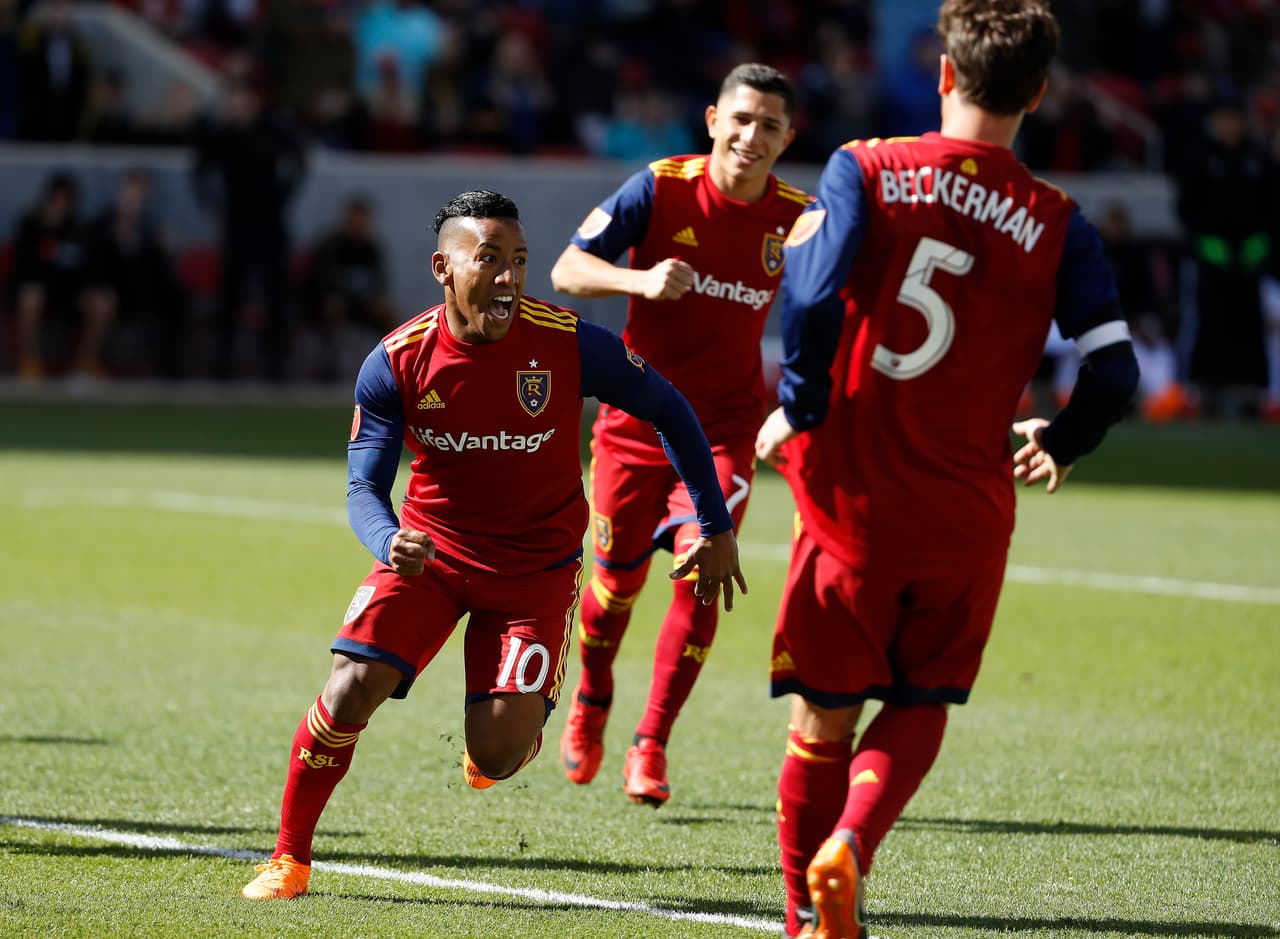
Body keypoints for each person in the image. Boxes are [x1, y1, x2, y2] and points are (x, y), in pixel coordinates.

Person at [752, 3, 1140, 936]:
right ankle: (854, 842)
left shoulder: (868, 167)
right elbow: (1117, 372)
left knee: (823, 719)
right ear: (1039, 94)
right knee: (922, 700)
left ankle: (808, 908)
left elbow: (807, 297)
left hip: (850, 501)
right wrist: (1066, 437)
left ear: (941, 74)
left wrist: (799, 406)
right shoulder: (1058, 219)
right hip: (967, 511)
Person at [240, 190, 746, 901]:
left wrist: (715, 522)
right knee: (351, 684)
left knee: (496, 752)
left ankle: (518, 724)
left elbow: (669, 408)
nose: (510, 277)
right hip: (431, 558)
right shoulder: (397, 361)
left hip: (534, 573)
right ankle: (288, 858)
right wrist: (389, 541)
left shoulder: (567, 342)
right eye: (490, 260)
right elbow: (363, 487)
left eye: (520, 261)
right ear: (443, 267)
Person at [549, 63, 809, 807]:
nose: (751, 136)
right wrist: (638, 281)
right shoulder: (658, 187)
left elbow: (850, 292)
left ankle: (651, 741)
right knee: (613, 585)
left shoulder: (799, 215)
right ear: (712, 119)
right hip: (633, 423)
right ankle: (592, 699)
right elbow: (568, 269)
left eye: (769, 125)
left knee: (705, 576)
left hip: (725, 429)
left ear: (787, 139)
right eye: (741, 119)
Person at [192, 74, 306, 381]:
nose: (238, 106)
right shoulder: (222, 135)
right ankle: (223, 364)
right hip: (236, 225)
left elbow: (298, 162)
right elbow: (200, 170)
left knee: (275, 297)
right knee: (230, 295)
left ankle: (275, 366)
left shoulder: (274, 130)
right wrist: (212, 204)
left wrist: (282, 197)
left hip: (270, 225)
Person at [81, 170, 189, 379]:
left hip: (140, 293)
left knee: (178, 297)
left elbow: (159, 273)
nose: (131, 201)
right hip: (107, 291)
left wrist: (166, 250)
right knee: (102, 303)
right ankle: (86, 365)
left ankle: (171, 368)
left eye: (138, 197)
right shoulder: (101, 225)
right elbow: (91, 266)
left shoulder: (150, 228)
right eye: (128, 194)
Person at [299, 194, 396, 382]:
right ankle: (328, 366)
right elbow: (318, 283)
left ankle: (395, 369)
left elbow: (379, 284)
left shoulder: (371, 249)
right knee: (333, 308)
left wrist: (379, 302)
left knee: (390, 317)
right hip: (328, 303)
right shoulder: (330, 246)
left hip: (361, 304)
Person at [8, 171, 89, 381]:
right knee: (30, 298)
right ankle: (30, 364)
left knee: (98, 301)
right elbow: (20, 268)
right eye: (56, 199)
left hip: (66, 294)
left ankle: (84, 366)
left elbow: (81, 269)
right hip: (35, 290)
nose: (59, 205)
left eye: (65, 200)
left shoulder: (75, 229)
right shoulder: (31, 224)